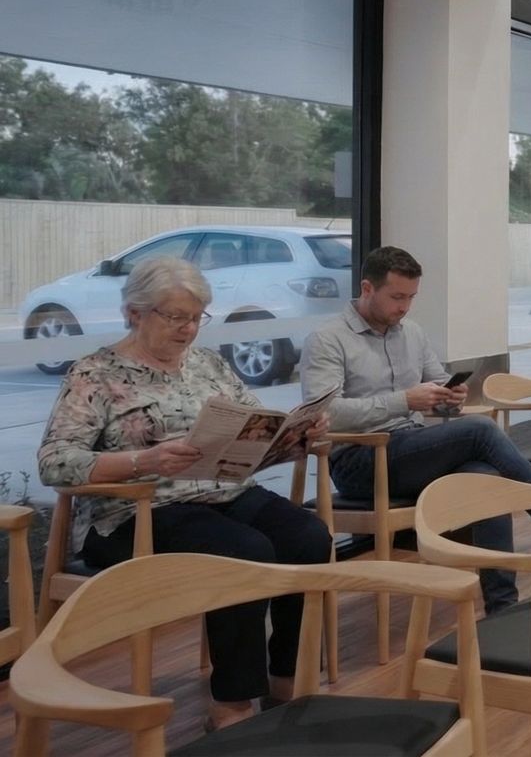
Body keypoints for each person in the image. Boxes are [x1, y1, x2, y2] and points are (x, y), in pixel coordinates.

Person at [37, 257, 333, 731]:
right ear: (134, 312)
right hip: (135, 511)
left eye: (196, 317)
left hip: (221, 494)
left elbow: (254, 431)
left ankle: (287, 679)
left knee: (308, 537)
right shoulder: (95, 373)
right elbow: (54, 461)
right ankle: (232, 706)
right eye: (175, 317)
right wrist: (144, 461)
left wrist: (296, 440)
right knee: (243, 552)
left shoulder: (208, 365)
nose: (189, 329)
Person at [299, 246, 531, 614]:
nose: (404, 307)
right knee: (480, 430)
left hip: (410, 448)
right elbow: (324, 412)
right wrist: (405, 400)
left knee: (485, 478)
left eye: (411, 297)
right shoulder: (327, 339)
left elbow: (434, 390)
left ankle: (503, 608)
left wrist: (449, 396)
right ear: (367, 288)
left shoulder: (412, 334)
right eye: (397, 297)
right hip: (359, 461)